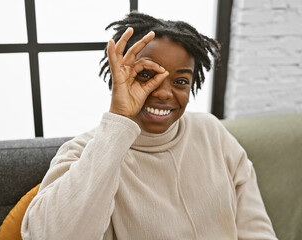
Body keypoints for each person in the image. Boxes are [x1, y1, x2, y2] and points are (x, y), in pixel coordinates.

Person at [21, 12, 277, 240]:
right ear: (119, 75)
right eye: (146, 75)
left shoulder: (212, 132)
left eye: (180, 81)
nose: (164, 93)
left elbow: (256, 229)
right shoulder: (81, 151)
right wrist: (119, 120)